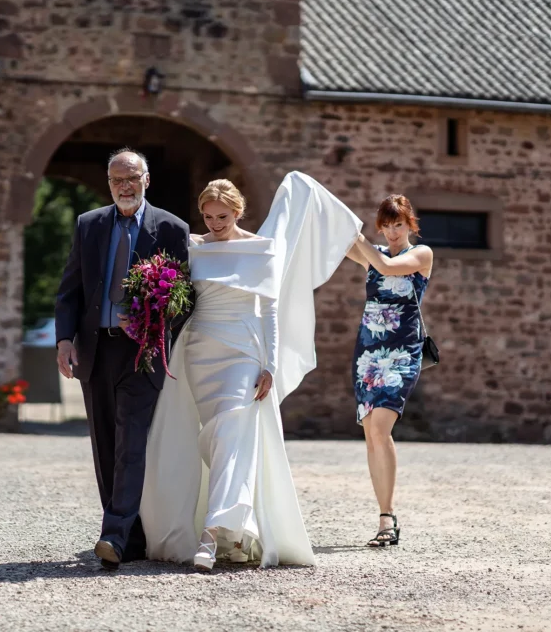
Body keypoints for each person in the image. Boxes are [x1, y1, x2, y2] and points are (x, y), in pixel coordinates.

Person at [140, 172, 363, 571]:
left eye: (222, 217)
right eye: (208, 217)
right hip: (201, 348)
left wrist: (270, 365)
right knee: (219, 439)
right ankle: (237, 531)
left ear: (237, 212)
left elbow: (271, 312)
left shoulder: (262, 250)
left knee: (231, 431)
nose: (214, 224)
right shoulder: (194, 247)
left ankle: (211, 533)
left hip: (244, 351)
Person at [54, 148, 190, 570]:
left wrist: (158, 331)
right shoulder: (89, 224)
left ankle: (112, 533)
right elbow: (70, 288)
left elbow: (185, 299)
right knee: (106, 447)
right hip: (96, 349)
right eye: (117, 180)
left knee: (131, 441)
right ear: (108, 184)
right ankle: (130, 538)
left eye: (131, 178)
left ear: (146, 180)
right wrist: (64, 339)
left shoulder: (171, 227)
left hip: (142, 352)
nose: (124, 187)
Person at [345, 194, 433, 548]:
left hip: (401, 354)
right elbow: (336, 248)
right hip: (368, 353)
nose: (394, 232)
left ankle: (387, 516)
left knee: (381, 428)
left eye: (399, 225)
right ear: (380, 226)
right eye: (387, 225)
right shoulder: (374, 253)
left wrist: (360, 240)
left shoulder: (420, 255)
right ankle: (384, 515)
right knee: (372, 436)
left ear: (409, 225)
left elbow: (388, 269)